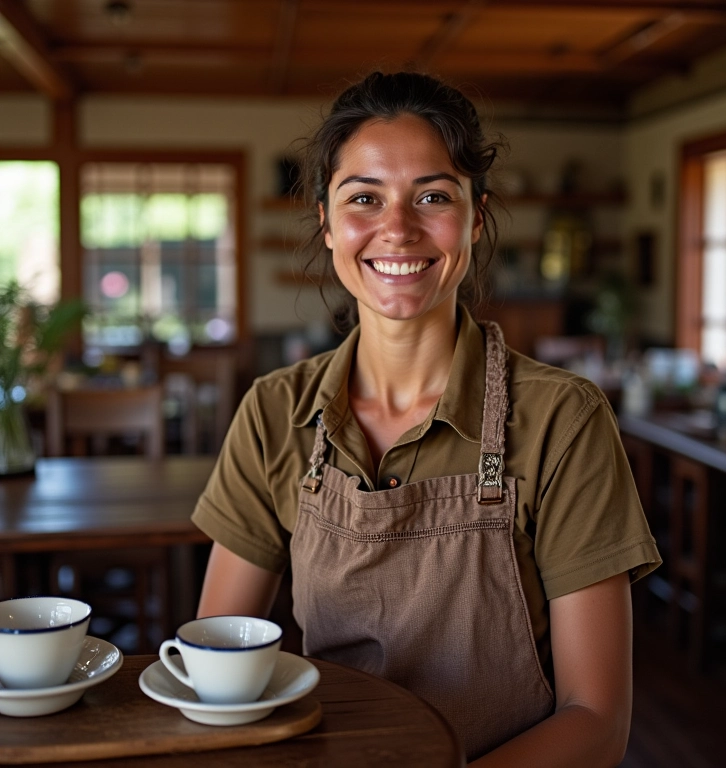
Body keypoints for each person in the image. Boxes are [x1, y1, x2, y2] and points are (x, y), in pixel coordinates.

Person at [193, 71, 661, 766]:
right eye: (364, 198)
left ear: (475, 216)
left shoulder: (563, 418)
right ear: (326, 223)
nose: (398, 229)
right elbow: (216, 661)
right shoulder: (274, 412)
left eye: (433, 196)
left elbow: (596, 722)